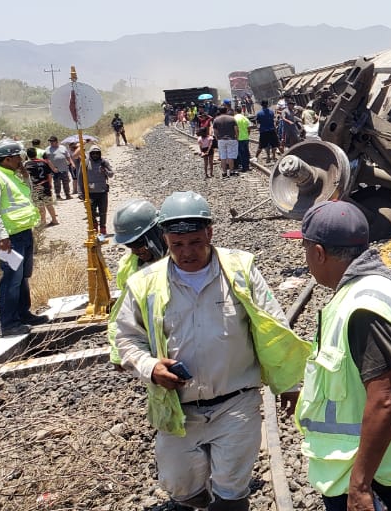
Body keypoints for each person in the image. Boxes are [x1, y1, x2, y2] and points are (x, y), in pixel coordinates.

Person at [112, 191, 310, 511]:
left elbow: (274, 328)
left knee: (232, 491)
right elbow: (126, 338)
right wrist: (149, 366)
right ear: (165, 240)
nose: (187, 252)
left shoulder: (240, 271)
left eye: (194, 242)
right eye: (177, 245)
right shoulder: (145, 283)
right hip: (178, 408)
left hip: (236, 402)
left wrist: (291, 384)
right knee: (182, 487)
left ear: (209, 233)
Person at [284, 200, 391, 511]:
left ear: (319, 253)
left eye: (306, 249)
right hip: (370, 463)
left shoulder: (363, 308)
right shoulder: (369, 290)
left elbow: (384, 399)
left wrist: (360, 486)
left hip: (362, 471)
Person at [0, 140, 48, 336]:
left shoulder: (11, 175)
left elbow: (24, 199)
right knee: (11, 279)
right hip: (8, 239)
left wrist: (25, 178)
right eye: (18, 157)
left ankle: (23, 314)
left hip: (22, 234)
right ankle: (9, 324)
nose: (21, 160)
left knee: (22, 276)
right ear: (7, 159)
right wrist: (2, 236)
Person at [106, 199, 167, 364]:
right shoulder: (129, 267)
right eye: (129, 245)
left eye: (138, 243)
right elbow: (122, 312)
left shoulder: (184, 260)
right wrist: (118, 353)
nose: (135, 251)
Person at [23, 148, 60, 227]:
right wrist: (49, 184)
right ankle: (54, 220)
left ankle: (43, 222)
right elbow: (49, 175)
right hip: (45, 185)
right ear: (36, 154)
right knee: (49, 204)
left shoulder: (27, 164)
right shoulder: (43, 162)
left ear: (27, 155)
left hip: (36, 187)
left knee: (40, 205)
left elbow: (26, 177)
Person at [86, 146, 115, 235]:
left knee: (103, 211)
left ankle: (103, 228)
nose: (95, 155)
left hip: (102, 191)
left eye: (97, 153)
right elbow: (80, 178)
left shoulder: (104, 162)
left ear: (99, 153)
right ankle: (94, 227)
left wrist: (105, 171)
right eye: (93, 153)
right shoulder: (86, 162)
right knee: (91, 212)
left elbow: (111, 174)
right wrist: (80, 191)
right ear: (90, 154)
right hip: (90, 192)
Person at [212, 103, 239, 178]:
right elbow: (236, 129)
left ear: (219, 111)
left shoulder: (216, 120)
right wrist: (237, 137)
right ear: (226, 110)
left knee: (223, 156)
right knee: (231, 156)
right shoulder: (232, 118)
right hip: (231, 139)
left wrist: (217, 138)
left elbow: (215, 131)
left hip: (221, 140)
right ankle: (231, 171)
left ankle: (224, 172)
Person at [45, 136, 73, 200]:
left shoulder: (63, 148)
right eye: (50, 141)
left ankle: (67, 194)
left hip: (64, 168)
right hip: (54, 169)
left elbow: (68, 157)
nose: (51, 142)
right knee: (56, 183)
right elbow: (46, 159)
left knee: (66, 182)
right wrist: (52, 168)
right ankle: (58, 196)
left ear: (56, 141)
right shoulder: (47, 149)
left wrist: (72, 163)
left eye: (52, 141)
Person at [234, 106, 252, 173]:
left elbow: (235, 128)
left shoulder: (235, 118)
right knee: (246, 152)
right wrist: (248, 134)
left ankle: (243, 167)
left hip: (239, 138)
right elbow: (249, 127)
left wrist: (236, 137)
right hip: (245, 137)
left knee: (241, 153)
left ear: (235, 111)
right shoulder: (245, 118)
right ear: (241, 111)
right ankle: (247, 166)